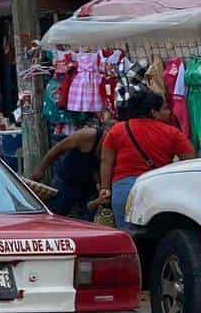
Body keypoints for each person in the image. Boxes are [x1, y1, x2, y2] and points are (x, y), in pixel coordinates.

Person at [101, 88, 196, 230]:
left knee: (128, 240)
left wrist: (105, 188)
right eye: (164, 109)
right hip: (158, 191)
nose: (169, 112)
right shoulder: (173, 133)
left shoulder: (117, 130)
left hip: (124, 192)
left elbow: (106, 162)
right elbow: (189, 163)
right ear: (153, 112)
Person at [32, 115, 108, 221]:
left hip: (88, 185)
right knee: (55, 215)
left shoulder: (113, 148)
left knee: (87, 217)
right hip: (66, 179)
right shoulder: (87, 135)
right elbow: (58, 148)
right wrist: (41, 168)